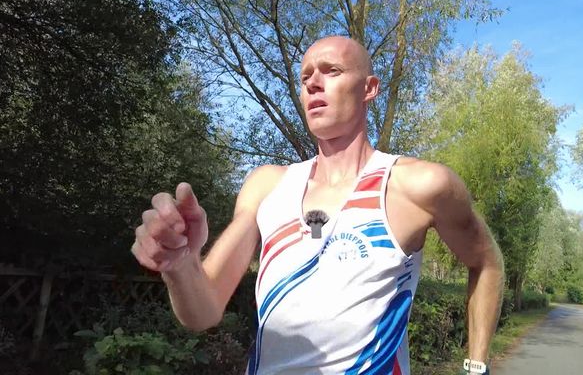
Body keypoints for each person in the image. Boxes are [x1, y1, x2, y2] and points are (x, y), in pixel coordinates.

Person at [131, 36, 505, 375]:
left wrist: (475, 367)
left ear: (369, 89)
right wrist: (181, 266)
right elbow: (204, 311)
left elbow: (486, 262)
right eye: (306, 75)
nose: (312, 83)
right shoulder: (266, 185)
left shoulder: (417, 186)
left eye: (332, 71)